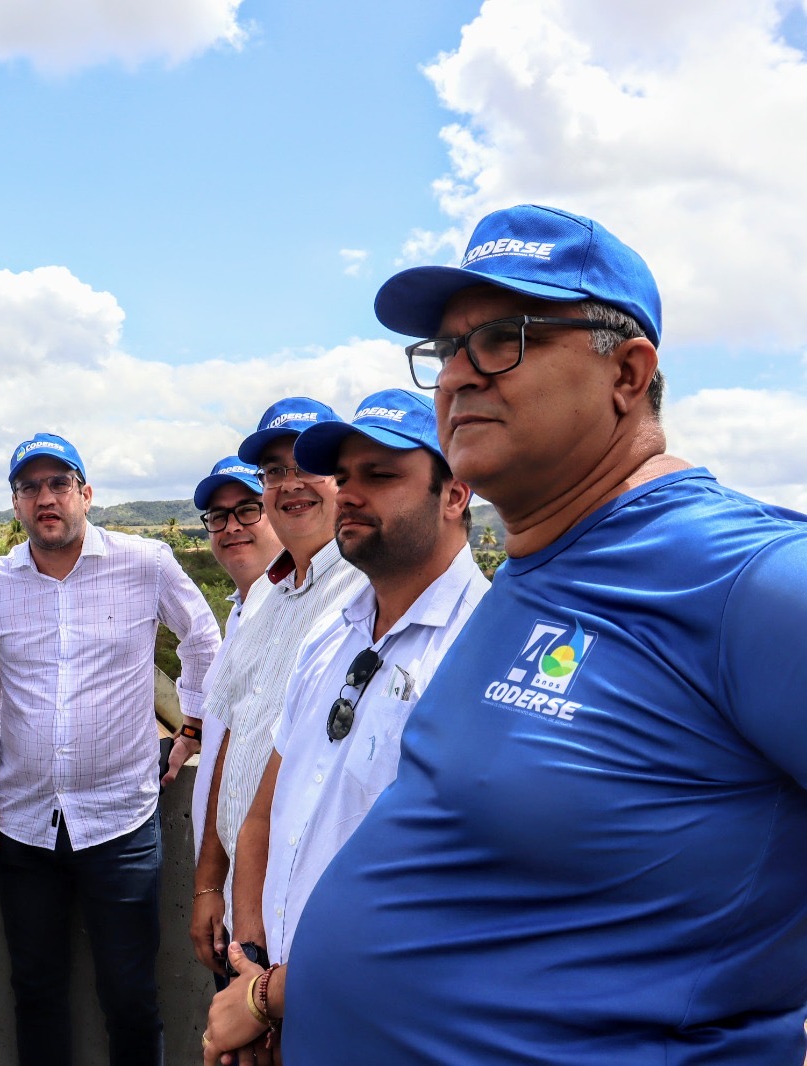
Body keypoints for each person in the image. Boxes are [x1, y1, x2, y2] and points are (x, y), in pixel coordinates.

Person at [280, 204, 807, 1064]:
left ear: (628, 374)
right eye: (446, 351)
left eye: (500, 337)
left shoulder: (752, 578)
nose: (457, 377)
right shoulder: (532, 571)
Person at [201, 390, 487, 1062]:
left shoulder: (481, 650)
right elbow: (264, 817)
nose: (351, 493)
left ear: (455, 495)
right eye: (347, 475)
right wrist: (256, 972)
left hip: (392, 1027)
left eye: (381, 474)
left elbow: (451, 899)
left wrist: (270, 997)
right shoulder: (332, 636)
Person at [0, 432, 221, 1066]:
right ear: (15, 504)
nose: (45, 498)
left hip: (121, 821)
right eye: (30, 488)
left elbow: (202, 639)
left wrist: (191, 726)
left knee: (131, 995)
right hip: (24, 824)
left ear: (86, 493)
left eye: (60, 484)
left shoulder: (146, 562)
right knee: (34, 991)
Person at [190, 399, 366, 979]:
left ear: (342, 478)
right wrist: (209, 884)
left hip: (302, 917)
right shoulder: (267, 595)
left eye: (304, 466)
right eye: (273, 472)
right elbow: (234, 747)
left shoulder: (366, 593)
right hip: (243, 911)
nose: (288, 485)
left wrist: (257, 929)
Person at [188, 457, 283, 870]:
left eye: (247, 509)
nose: (231, 526)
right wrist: (191, 730)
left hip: (264, 881)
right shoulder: (242, 611)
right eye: (218, 516)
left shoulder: (304, 619)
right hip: (230, 880)